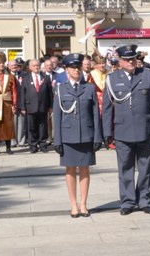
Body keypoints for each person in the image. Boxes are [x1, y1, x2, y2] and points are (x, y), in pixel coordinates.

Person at [102, 44, 150, 215]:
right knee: (125, 168)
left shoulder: (148, 75)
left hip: (145, 129)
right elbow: (107, 107)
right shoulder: (112, 79)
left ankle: (144, 200)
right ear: (120, 61)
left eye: (133, 59)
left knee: (145, 168)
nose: (130, 62)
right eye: (127, 60)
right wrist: (107, 132)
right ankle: (127, 202)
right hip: (122, 131)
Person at [53, 53, 103, 218]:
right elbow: (57, 116)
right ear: (67, 69)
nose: (77, 70)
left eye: (78, 67)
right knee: (70, 170)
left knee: (85, 170)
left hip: (86, 135)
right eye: (73, 67)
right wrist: (57, 140)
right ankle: (73, 204)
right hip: (68, 136)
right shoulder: (61, 89)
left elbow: (96, 114)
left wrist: (97, 137)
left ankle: (83, 204)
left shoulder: (89, 88)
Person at [20, 59, 53, 153]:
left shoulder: (45, 77)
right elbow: (23, 93)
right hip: (30, 106)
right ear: (30, 67)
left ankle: (43, 144)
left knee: (43, 126)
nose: (36, 67)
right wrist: (22, 107)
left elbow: (49, 93)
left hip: (43, 106)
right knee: (32, 126)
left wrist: (50, 106)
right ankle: (33, 145)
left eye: (37, 65)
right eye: (34, 66)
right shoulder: (26, 79)